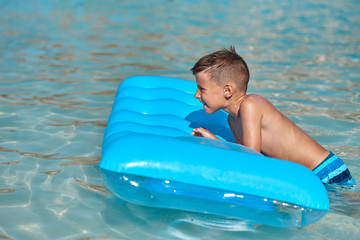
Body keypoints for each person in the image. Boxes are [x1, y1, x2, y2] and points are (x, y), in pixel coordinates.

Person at [190, 46, 355, 186]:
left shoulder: (251, 105)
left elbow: (251, 157)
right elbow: (243, 156)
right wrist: (213, 140)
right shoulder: (232, 120)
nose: (197, 95)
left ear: (227, 90)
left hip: (325, 170)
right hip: (306, 177)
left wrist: (217, 143)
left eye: (202, 88)